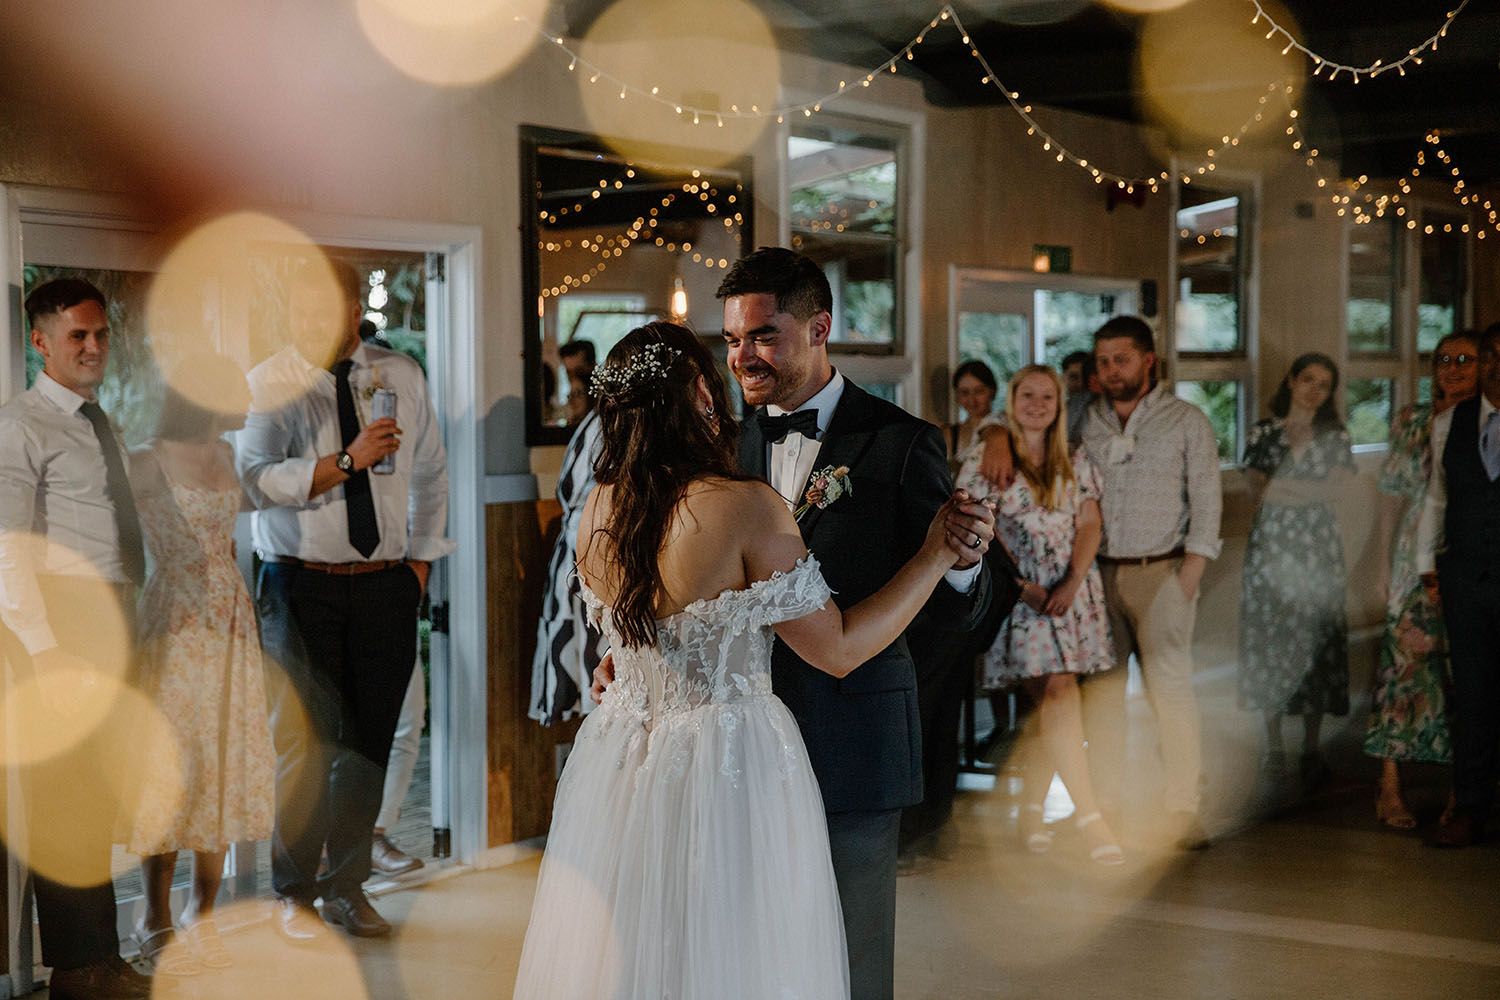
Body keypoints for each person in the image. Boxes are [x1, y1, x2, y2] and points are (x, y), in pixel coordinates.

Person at [514, 322, 985, 999]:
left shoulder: (597, 507)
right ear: (702, 394)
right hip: (728, 760)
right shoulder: (744, 508)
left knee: (645, 943)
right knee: (739, 947)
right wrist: (935, 553)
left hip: (624, 757)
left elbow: (637, 636)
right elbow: (841, 649)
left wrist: (633, 661)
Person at [237, 258, 454, 940]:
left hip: (387, 585)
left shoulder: (401, 375)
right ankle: (293, 895)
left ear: (357, 303)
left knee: (365, 747)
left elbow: (431, 473)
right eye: (305, 308)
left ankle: (347, 889)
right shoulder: (270, 382)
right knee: (305, 745)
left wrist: (418, 566)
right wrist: (347, 460)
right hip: (300, 585)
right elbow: (252, 480)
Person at [0, 278, 153, 1000]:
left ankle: (102, 954)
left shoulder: (99, 420)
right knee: (65, 799)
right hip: (56, 625)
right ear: (40, 341)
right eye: (76, 337)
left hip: (109, 618)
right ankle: (74, 972)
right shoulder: (21, 424)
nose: (93, 349)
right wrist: (45, 648)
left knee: (98, 797)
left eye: (100, 336)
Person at [122, 353, 275, 973]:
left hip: (232, 620)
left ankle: (202, 916)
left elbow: (229, 538)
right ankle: (154, 916)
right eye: (237, 387)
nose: (247, 397)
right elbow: (112, 534)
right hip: (176, 623)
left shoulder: (229, 455)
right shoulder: (147, 458)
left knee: (222, 767)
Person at [957, 365, 1120, 864]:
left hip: (1070, 593)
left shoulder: (1075, 458)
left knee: (1050, 706)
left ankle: (1032, 811)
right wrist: (1020, 586)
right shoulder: (987, 455)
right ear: (1012, 399)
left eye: (1047, 395)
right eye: (1027, 394)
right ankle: (1092, 818)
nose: (1037, 403)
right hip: (1018, 596)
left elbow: (1091, 520)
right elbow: (969, 523)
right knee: (1057, 695)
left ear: (1058, 403)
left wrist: (1072, 579)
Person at [1080, 316, 1221, 849]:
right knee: (1104, 696)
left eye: (1121, 359)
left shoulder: (1186, 420)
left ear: (1148, 361)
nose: (1111, 370)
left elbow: (1207, 499)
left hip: (1162, 571)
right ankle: (1106, 807)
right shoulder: (1085, 419)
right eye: (1103, 361)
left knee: (1171, 694)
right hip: (1097, 575)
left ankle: (1182, 809)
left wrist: (1191, 572)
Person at [1365, 332, 1479, 827]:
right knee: (1401, 668)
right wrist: (1380, 561)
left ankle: (1464, 792)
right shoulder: (1411, 420)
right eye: (1444, 359)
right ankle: (1389, 789)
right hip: (1412, 557)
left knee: (1465, 675)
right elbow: (1390, 495)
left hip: (1466, 553)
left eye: (1465, 360)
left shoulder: (1486, 420)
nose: (1452, 368)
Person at [1237, 353, 1355, 787]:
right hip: (1271, 551)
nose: (1314, 390)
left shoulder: (1334, 435)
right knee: (1272, 640)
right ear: (1291, 379)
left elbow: (1338, 490)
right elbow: (1257, 491)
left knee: (1317, 640)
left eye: (1324, 385)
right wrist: (1308, 491)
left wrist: (1284, 487)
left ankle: (1310, 746)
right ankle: (1272, 745)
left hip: (1318, 552)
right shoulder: (1264, 432)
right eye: (1308, 380)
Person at [1416, 323, 1500, 848]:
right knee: (1472, 695)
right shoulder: (1449, 424)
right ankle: (1469, 806)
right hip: (1466, 576)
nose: (1497, 365)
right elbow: (1436, 498)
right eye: (1489, 355)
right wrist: (1428, 565)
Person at [529, 407, 606, 724]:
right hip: (589, 558)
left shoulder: (596, 420)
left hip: (581, 556)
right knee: (597, 684)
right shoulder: (609, 424)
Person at [949, 359, 999, 467]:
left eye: (979, 391)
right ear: (957, 396)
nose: (972, 400)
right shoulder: (949, 434)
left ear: (992, 391)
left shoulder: (1002, 428)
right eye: (965, 393)